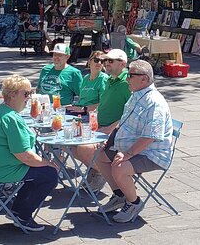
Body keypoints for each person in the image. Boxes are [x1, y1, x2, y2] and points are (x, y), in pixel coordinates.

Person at [92, 59, 173, 223]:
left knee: (119, 167)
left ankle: (134, 203)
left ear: (144, 78)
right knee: (99, 155)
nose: (127, 78)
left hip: (152, 153)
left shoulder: (154, 103)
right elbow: (123, 122)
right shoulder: (137, 94)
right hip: (131, 146)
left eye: (130, 75)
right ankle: (120, 195)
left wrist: (127, 154)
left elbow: (150, 137)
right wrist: (110, 138)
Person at [0, 75, 59, 232]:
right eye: (26, 93)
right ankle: (23, 214)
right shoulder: (10, 118)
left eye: (30, 93)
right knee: (49, 174)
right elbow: (25, 156)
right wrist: (49, 163)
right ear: (12, 94)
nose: (29, 97)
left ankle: (18, 210)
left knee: (39, 172)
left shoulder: (2, 111)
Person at [72, 48, 131, 192]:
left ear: (122, 64)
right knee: (72, 145)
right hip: (99, 125)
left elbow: (130, 114)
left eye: (110, 61)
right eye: (105, 60)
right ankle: (95, 169)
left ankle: (108, 178)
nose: (106, 64)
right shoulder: (111, 80)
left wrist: (110, 128)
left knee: (84, 148)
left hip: (116, 131)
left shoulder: (127, 83)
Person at [68, 50, 108, 115]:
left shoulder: (103, 79)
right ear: (89, 62)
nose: (99, 63)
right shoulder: (86, 77)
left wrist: (85, 109)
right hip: (78, 109)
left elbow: (104, 103)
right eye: (96, 60)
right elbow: (82, 99)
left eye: (102, 61)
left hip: (90, 114)